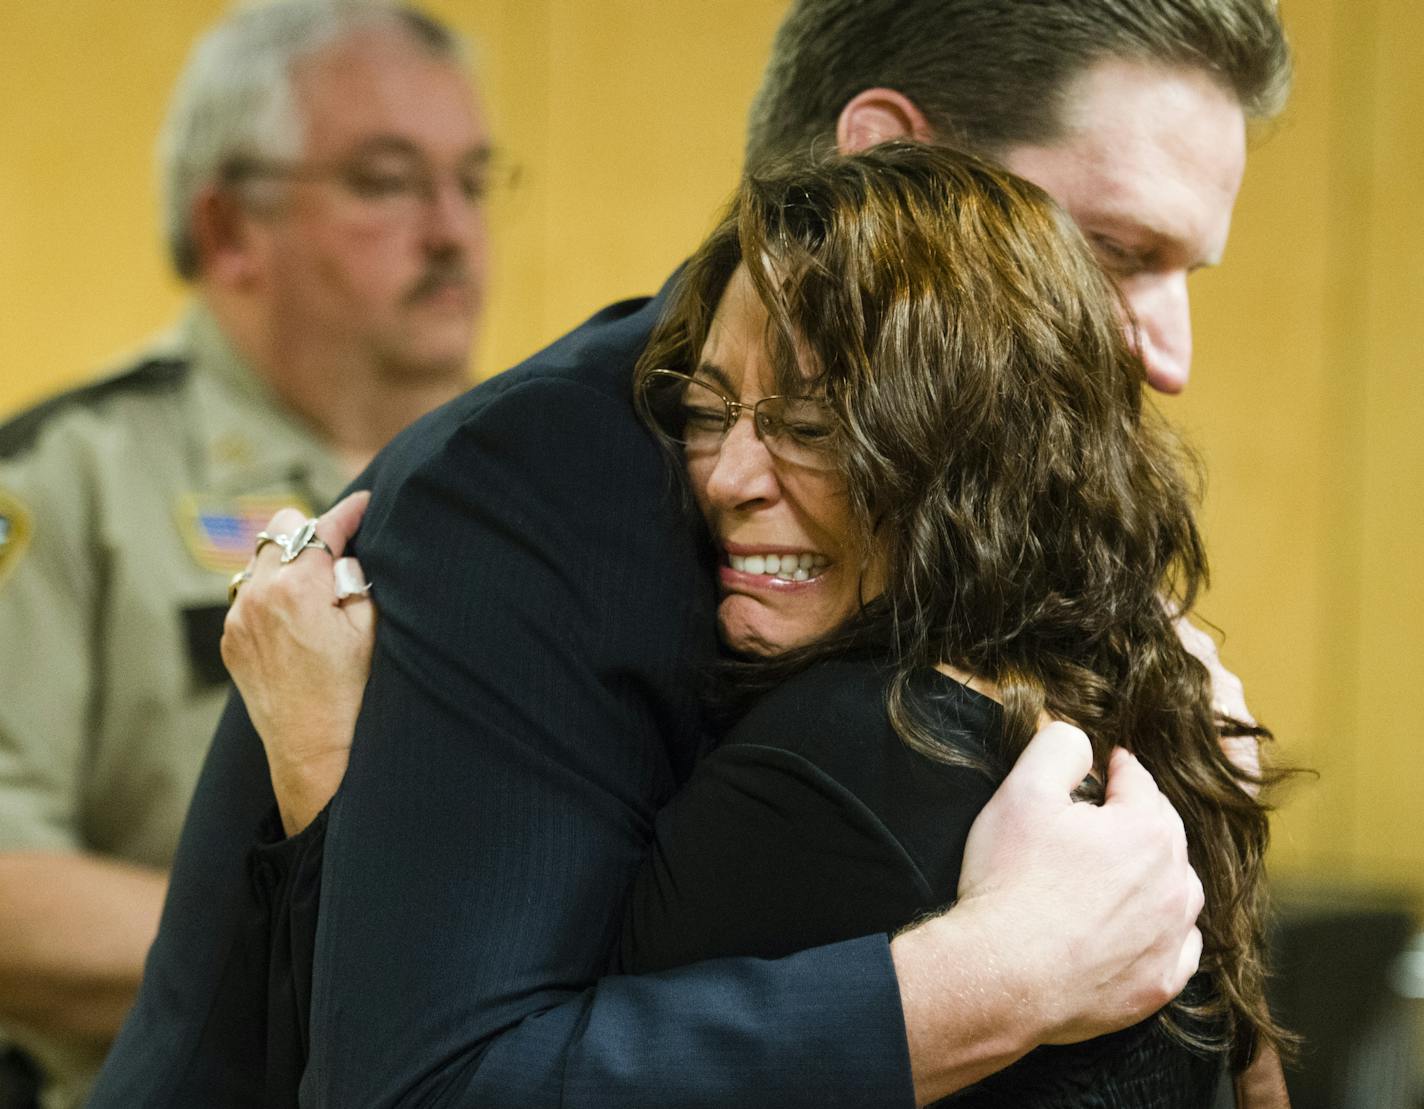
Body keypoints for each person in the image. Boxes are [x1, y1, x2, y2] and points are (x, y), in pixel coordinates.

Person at [93, 1, 1289, 1105]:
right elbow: (429, 1074)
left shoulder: (1013, 537)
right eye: (1114, 250)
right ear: (876, 166)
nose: (1166, 352)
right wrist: (1002, 975)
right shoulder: (546, 487)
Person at [0, 2, 491, 1104]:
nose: (453, 229)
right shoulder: (61, 482)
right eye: (385, 179)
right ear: (228, 228)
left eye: (472, 178)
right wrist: (353, 941)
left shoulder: (530, 487)